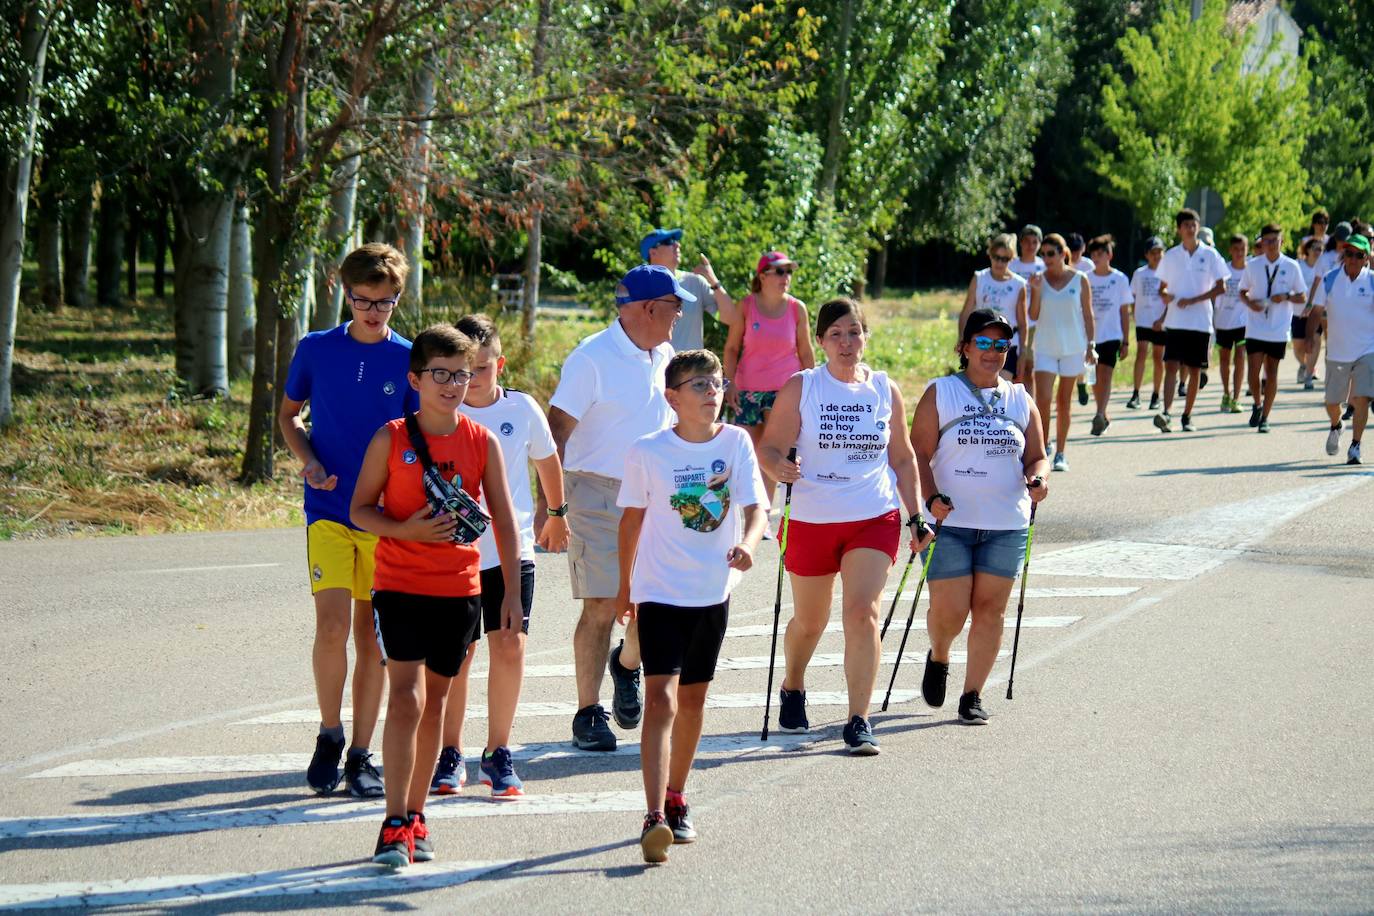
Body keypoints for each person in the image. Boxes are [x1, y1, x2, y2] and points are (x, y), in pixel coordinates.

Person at [349, 324, 524, 867]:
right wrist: (408, 532)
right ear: (415, 378)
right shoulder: (391, 437)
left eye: (462, 374)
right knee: (407, 699)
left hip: (460, 591)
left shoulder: (481, 440)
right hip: (400, 585)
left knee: (436, 704)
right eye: (440, 374)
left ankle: (417, 815)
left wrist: (512, 594)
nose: (451, 384)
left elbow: (506, 520)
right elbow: (359, 510)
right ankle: (393, 821)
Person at [757, 297, 931, 754]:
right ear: (820, 341)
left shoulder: (883, 389)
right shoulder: (803, 387)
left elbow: (903, 457)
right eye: (835, 334)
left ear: (865, 336)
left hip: (872, 515)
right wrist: (779, 468)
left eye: (854, 332)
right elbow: (769, 447)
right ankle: (793, 683)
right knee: (810, 622)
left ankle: (859, 718)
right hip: (811, 519)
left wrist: (916, 516)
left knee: (861, 612)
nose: (846, 342)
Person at [615, 349, 768, 864]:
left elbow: (757, 507)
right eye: (698, 384)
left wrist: (748, 541)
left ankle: (678, 795)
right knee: (662, 701)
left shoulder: (736, 442)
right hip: (659, 590)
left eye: (716, 383)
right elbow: (631, 522)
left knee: (695, 702)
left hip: (712, 592)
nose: (710, 392)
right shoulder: (648, 451)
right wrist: (625, 589)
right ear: (672, 396)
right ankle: (654, 813)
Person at [279, 242, 416, 799]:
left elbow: (417, 436)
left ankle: (363, 753)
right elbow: (288, 418)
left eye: (385, 302)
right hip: (328, 511)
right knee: (331, 625)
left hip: (384, 519)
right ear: (345, 293)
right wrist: (308, 461)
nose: (373, 311)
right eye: (363, 300)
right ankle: (329, 735)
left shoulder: (410, 357)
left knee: (372, 638)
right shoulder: (315, 349)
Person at [547, 265, 692, 751]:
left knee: (656, 601)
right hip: (596, 490)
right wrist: (554, 507)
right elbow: (556, 432)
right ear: (650, 308)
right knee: (603, 602)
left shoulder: (666, 355)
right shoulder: (591, 358)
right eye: (674, 308)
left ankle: (627, 663)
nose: (678, 318)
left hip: (657, 494)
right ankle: (588, 712)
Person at [429, 315, 570, 798]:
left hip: (511, 552)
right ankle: (451, 753)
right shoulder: (440, 413)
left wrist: (558, 513)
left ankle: (498, 751)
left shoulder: (522, 409)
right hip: (453, 553)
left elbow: (548, 460)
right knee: (459, 657)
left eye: (485, 368)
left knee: (510, 646)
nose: (475, 379)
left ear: (499, 365)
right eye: (468, 369)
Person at [910, 309, 1049, 725]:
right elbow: (916, 453)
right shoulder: (941, 393)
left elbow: (1037, 456)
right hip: (949, 523)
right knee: (950, 613)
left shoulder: (1021, 399)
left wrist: (1038, 479)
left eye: (1001, 345)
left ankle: (972, 695)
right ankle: (939, 654)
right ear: (965, 347)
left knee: (990, 611)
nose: (992, 352)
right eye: (984, 343)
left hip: (1006, 523)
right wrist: (929, 497)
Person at [723, 251, 814, 508]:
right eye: (780, 271)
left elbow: (806, 351)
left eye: (789, 272)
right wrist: (728, 383)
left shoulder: (797, 308)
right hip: (748, 389)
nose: (786, 277)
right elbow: (731, 349)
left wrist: (814, 388)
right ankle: (751, 508)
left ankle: (763, 511)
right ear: (763, 276)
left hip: (785, 390)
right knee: (750, 453)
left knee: (771, 451)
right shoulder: (746, 306)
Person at [1153, 209, 1229, 433]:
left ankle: (1187, 415)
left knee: (1195, 370)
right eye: (1186, 225)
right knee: (1171, 367)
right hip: (1176, 321)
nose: (1190, 228)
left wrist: (1194, 300)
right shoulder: (1171, 255)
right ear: (1179, 229)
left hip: (1199, 322)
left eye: (1193, 224)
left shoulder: (1210, 254)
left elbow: (1221, 286)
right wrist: (1166, 295)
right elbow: (1161, 287)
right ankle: (1166, 413)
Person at [1028, 233, 1096, 471]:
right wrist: (1035, 291)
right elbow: (1033, 315)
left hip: (1073, 347)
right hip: (1045, 347)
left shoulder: (1080, 279)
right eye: (1043, 254)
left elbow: (1088, 314)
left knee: (1064, 402)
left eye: (1050, 253)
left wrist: (1091, 345)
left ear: (1062, 253)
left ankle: (1061, 453)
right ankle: (1043, 447)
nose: (1045, 258)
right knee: (1043, 400)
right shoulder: (1038, 280)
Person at [1308, 231, 1373, 465]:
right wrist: (1309, 339)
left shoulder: (1373, 280)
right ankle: (1336, 425)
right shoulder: (1330, 279)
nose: (1353, 258)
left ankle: (1355, 446)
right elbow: (1316, 311)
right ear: (1343, 255)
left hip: (1367, 349)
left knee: (1361, 398)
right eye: (1349, 253)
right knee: (1332, 402)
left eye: (1358, 254)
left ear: (1366, 258)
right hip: (1337, 352)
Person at [1239, 223, 1306, 433]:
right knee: (1253, 370)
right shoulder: (1253, 265)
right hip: (1256, 326)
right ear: (1262, 242)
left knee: (1272, 372)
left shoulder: (1292, 266)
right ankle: (1257, 404)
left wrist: (1285, 296)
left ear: (1281, 241)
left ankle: (1266, 417)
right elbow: (1242, 291)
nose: (1270, 245)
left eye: (1274, 241)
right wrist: (1251, 304)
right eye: (1266, 241)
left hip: (1278, 327)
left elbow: (1302, 296)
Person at [640, 228, 738, 352]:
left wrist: (713, 280)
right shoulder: (640, 286)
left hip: (693, 369)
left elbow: (730, 318)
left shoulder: (695, 282)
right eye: (669, 241)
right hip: (655, 369)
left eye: (676, 240)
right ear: (653, 252)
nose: (677, 244)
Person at [958, 233, 1029, 383]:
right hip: (981, 342)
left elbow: (1023, 323)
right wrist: (962, 339)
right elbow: (965, 313)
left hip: (1006, 344)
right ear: (990, 254)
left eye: (1005, 259)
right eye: (996, 257)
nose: (999, 262)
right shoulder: (980, 278)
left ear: (1011, 259)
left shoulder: (1018, 284)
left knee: (1000, 389)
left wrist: (1023, 352)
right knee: (979, 386)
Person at [1084, 234, 1132, 436]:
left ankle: (1099, 413)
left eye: (1100, 254)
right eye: (1093, 254)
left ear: (1109, 254)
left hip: (1112, 335)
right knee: (1093, 378)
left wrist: (1126, 341)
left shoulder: (1119, 279)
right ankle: (1102, 413)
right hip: (1090, 336)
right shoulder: (1085, 278)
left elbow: (1124, 311)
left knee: (1106, 375)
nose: (1096, 258)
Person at [1128, 237, 1167, 411]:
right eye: (1153, 252)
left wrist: (1163, 320)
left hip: (1160, 321)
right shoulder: (1139, 273)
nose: (1157, 255)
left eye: (1159, 252)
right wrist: (1135, 314)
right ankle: (1136, 393)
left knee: (1158, 358)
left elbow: (1170, 300)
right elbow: (1133, 296)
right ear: (1147, 255)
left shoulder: (1168, 273)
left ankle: (1156, 394)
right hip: (1143, 320)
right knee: (1141, 354)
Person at [1214, 233, 1251, 415]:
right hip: (1223, 321)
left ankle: (1236, 397)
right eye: (1235, 249)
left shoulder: (1250, 270)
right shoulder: (1225, 271)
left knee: (1240, 357)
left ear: (1247, 250)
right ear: (1230, 250)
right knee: (1224, 360)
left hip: (1243, 322)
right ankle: (1226, 393)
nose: (1239, 253)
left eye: (1242, 249)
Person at [1009, 225, 1046, 398]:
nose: (1030, 246)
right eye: (1026, 241)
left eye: (1034, 242)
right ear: (1020, 243)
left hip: (1034, 324)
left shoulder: (1043, 266)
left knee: (1029, 367)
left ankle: (1030, 404)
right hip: (1012, 323)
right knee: (1011, 367)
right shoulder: (1012, 265)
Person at [1294, 237, 1324, 389]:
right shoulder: (1298, 265)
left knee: (1315, 340)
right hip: (1298, 311)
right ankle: (1305, 365)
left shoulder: (1324, 267)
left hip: (1316, 312)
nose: (1318, 252)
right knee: (1298, 347)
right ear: (1308, 250)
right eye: (1315, 248)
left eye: (1321, 249)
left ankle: (1308, 376)